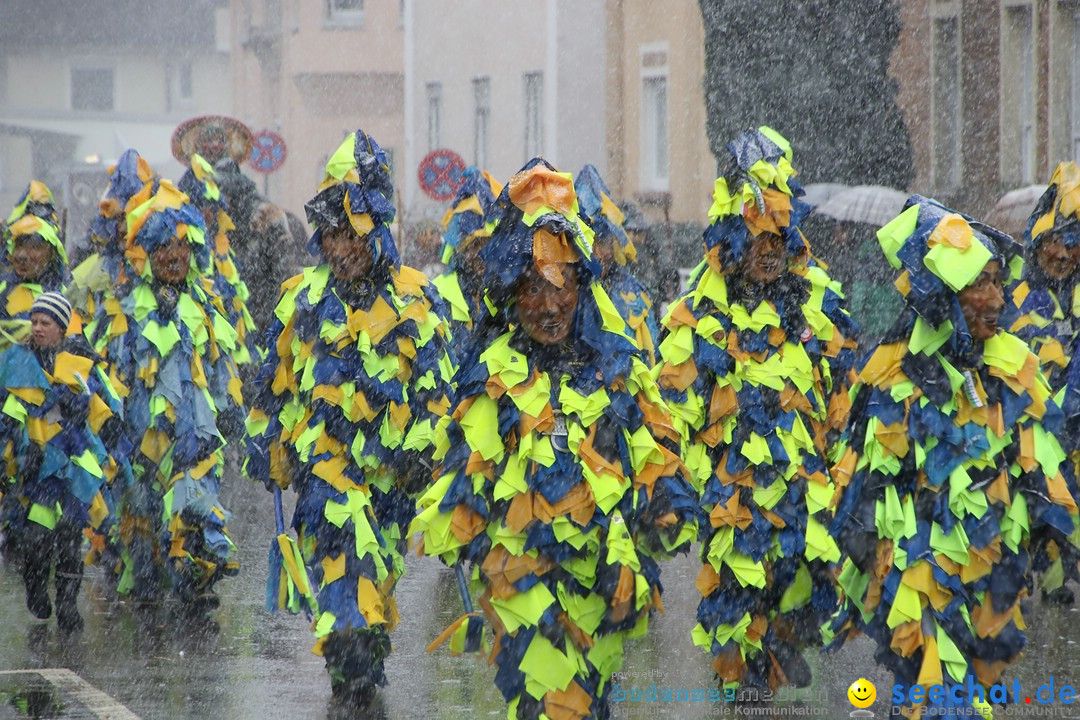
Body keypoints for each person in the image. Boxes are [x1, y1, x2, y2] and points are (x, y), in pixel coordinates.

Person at [412, 158, 700, 720]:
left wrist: (662, 506)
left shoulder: (617, 365)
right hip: (524, 584)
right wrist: (467, 522)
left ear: (582, 285)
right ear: (510, 296)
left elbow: (654, 453)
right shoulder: (494, 373)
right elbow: (467, 475)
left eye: (562, 286)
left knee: (591, 702)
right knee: (548, 702)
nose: (549, 305)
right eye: (533, 289)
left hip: (599, 581)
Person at [825, 197, 1072, 715]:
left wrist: (1046, 538)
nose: (995, 298)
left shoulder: (1010, 366)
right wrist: (874, 556)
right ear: (945, 294)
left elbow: (1037, 466)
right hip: (921, 575)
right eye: (978, 284)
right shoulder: (897, 372)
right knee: (934, 697)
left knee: (968, 697)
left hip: (986, 573)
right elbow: (864, 486)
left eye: (998, 283)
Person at [245, 129, 454, 703]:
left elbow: (437, 384)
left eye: (352, 233)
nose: (341, 247)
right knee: (344, 556)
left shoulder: (418, 301)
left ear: (377, 233)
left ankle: (359, 654)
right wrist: (268, 446)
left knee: (377, 574)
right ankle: (350, 658)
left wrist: (425, 448)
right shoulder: (301, 299)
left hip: (393, 474)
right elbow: (270, 384)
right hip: (324, 466)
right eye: (332, 234)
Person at [656, 128, 857, 695]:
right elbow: (672, 416)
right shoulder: (696, 313)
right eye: (757, 235)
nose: (769, 249)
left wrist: (839, 477)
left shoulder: (819, 303)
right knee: (740, 656)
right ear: (732, 233)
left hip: (801, 506)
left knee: (786, 637)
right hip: (732, 513)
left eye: (779, 236)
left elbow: (843, 400)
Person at [88, 180, 245, 610]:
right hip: (139, 433)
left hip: (192, 432)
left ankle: (196, 582)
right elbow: (106, 370)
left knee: (195, 504)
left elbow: (219, 363)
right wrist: (110, 422)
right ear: (145, 255)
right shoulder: (123, 308)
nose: (173, 257)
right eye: (162, 249)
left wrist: (229, 409)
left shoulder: (207, 304)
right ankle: (148, 586)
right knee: (141, 512)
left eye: (181, 247)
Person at [0, 292, 130, 632]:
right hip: (38, 465)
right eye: (35, 322)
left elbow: (106, 405)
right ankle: (36, 587)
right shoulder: (18, 360)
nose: (38, 328)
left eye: (46, 323)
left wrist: (112, 434)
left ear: (61, 327)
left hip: (74, 463)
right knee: (37, 538)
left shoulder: (80, 361)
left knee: (71, 536)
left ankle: (69, 605)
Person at [1000, 161, 1080, 605]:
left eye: (1075, 244)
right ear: (1037, 240)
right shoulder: (1011, 293)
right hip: (1024, 429)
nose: (1065, 254)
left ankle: (1055, 581)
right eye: (1056, 242)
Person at [177, 153, 261, 369]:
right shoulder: (181, 244)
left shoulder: (221, 242)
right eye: (201, 204)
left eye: (211, 205)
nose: (207, 213)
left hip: (229, 345)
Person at [575, 164, 659, 364]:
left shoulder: (634, 294)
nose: (598, 253)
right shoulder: (562, 295)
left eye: (602, 242)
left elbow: (652, 359)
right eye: (589, 242)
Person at [70, 149, 157, 322]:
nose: (124, 228)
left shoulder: (164, 268)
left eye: (132, 218)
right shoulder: (88, 277)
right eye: (118, 218)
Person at [214, 159, 294, 333]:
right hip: (252, 310)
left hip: (256, 311)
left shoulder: (264, 215)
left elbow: (280, 269)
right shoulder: (215, 214)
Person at [431, 166, 502, 348]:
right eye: (474, 245)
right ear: (458, 249)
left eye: (489, 244)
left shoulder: (507, 296)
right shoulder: (437, 297)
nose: (481, 254)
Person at [1, 182, 73, 347]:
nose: (21, 255)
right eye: (18, 245)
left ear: (52, 252)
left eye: (33, 246)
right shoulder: (3, 290)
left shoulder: (69, 294)